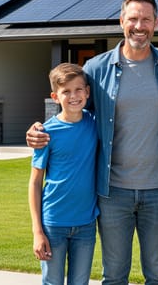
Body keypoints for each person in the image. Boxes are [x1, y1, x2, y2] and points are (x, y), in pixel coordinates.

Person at [27, 0, 158, 285]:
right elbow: (72, 109)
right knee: (114, 276)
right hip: (112, 193)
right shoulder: (96, 69)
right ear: (122, 21)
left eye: (146, 19)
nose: (139, 25)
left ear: (156, 23)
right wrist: (39, 128)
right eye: (133, 18)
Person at [29, 63, 98, 285]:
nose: (74, 96)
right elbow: (35, 183)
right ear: (55, 97)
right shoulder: (46, 133)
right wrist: (37, 232)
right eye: (66, 91)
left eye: (79, 89)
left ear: (87, 92)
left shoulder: (95, 124)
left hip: (86, 224)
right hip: (53, 224)